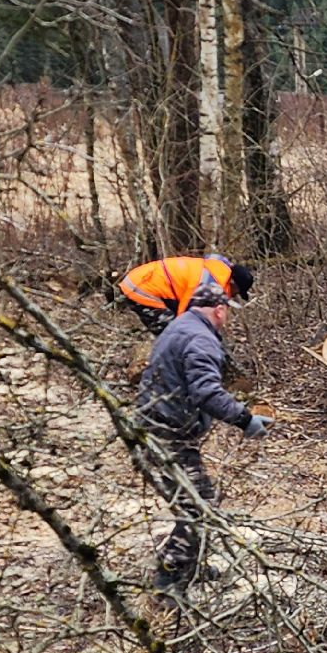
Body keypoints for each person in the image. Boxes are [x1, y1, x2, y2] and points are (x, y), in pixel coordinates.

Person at [134, 281, 272, 606]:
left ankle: (190, 566)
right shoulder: (200, 339)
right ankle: (167, 584)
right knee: (198, 507)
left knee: (196, 503)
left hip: (157, 427)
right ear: (220, 310)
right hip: (166, 434)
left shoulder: (178, 327)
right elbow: (207, 392)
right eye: (226, 313)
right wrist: (245, 419)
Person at [119, 253, 255, 336]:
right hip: (142, 286)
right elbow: (185, 317)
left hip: (145, 279)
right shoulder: (205, 285)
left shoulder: (218, 269)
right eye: (237, 292)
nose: (234, 296)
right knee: (175, 334)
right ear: (233, 284)